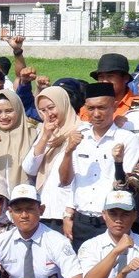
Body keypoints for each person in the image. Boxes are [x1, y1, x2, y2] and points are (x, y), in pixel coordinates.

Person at [62, 82, 139, 248]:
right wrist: (68, 214)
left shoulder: (127, 139)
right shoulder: (79, 138)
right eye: (91, 108)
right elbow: (67, 181)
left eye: (102, 108)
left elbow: (126, 184)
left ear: (114, 106)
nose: (96, 114)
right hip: (81, 221)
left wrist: (118, 161)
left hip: (113, 221)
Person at [22, 86, 80, 235]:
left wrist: (69, 212)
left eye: (51, 107)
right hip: (45, 209)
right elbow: (29, 168)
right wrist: (45, 137)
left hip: (68, 212)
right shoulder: (45, 132)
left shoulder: (81, 132)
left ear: (62, 104)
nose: (49, 114)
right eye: (42, 110)